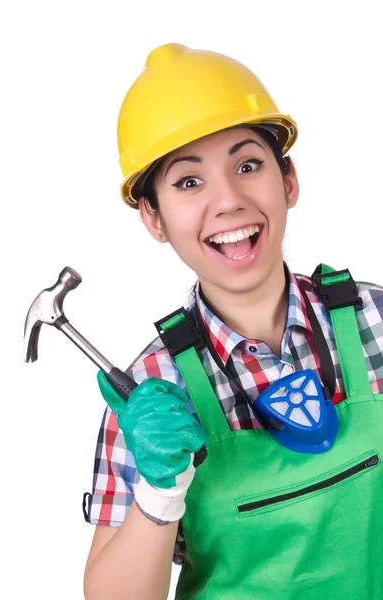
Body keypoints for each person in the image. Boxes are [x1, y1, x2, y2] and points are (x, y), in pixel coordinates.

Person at [83, 43, 383, 599]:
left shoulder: (375, 322)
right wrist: (160, 492)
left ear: (288, 180)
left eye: (248, 165)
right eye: (188, 182)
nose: (227, 202)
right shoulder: (152, 395)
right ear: (153, 217)